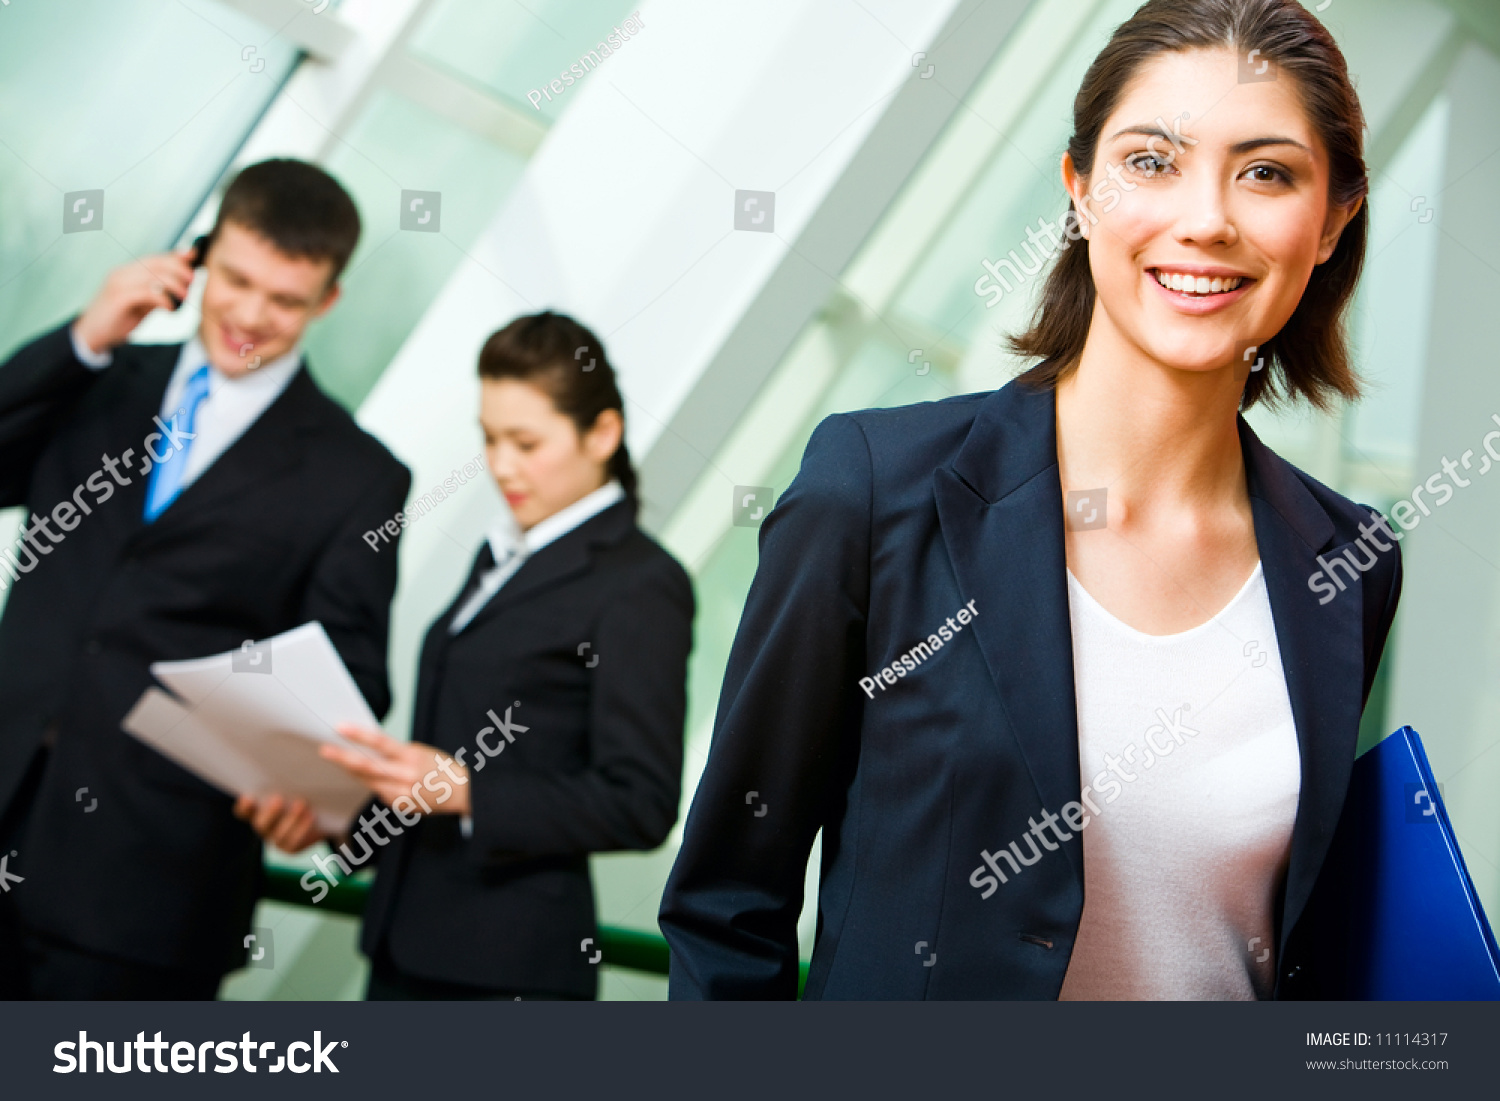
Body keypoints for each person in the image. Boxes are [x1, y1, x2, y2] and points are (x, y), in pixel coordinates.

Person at [660, 0, 1398, 1000]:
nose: (1208, 218)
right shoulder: (877, 491)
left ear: (1332, 221)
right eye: (1151, 161)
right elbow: (725, 911)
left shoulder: (1349, 559)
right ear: (1081, 188)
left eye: (1267, 173)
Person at [0, 159, 410, 999]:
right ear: (198, 258)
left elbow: (349, 671)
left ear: (328, 301)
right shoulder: (98, 379)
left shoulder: (358, 477)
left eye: (287, 299)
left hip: (145, 895)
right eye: (237, 279)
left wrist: (310, 785)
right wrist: (86, 335)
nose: (252, 317)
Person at [242, 311, 694, 1000]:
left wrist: (467, 789)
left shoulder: (640, 584)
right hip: (409, 944)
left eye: (526, 441)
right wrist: (338, 813)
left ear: (602, 432)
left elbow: (642, 801)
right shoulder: (503, 552)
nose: (501, 465)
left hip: (504, 971)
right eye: (489, 438)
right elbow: (443, 768)